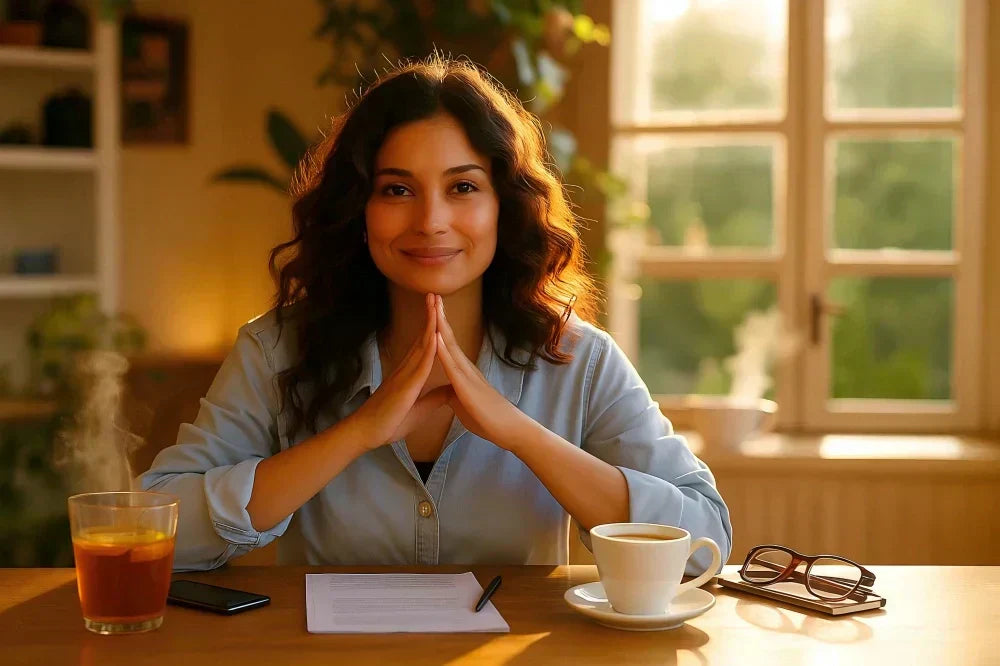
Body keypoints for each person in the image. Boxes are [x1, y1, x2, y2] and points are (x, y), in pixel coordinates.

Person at [141, 57, 732, 572]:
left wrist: (519, 432)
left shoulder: (580, 358)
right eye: (397, 190)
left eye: (463, 188)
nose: (430, 221)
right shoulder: (276, 351)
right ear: (359, 209)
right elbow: (153, 531)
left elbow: (705, 543)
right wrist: (357, 434)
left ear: (506, 205)